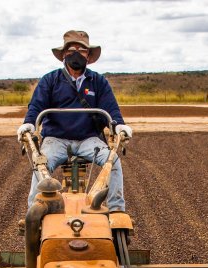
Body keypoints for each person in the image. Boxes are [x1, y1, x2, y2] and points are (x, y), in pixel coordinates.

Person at [17, 30, 132, 212]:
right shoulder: (50, 80)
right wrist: (29, 123)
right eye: (71, 49)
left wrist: (119, 125)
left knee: (114, 161)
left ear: (88, 55)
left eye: (82, 49)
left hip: (89, 140)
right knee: (41, 166)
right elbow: (36, 106)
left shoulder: (98, 82)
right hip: (56, 139)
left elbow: (111, 109)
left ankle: (117, 211)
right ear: (64, 54)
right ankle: (35, 212)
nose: (76, 53)